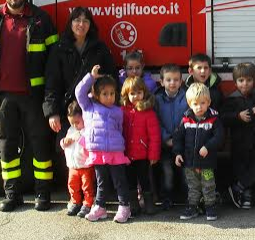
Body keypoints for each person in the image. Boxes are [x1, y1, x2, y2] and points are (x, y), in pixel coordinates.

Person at [0, 0, 58, 212]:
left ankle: (42, 195)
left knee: (40, 145)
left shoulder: (41, 20)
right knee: (6, 145)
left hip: (33, 96)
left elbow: (53, 59)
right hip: (4, 97)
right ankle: (12, 195)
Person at [44, 7, 116, 143]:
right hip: (67, 112)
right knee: (68, 152)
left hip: (94, 111)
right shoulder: (58, 49)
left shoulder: (100, 48)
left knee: (92, 151)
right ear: (70, 23)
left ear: (90, 25)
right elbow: (52, 82)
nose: (81, 25)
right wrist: (52, 112)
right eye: (77, 20)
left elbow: (112, 78)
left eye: (85, 21)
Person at [76, 65, 132, 223]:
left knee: (119, 181)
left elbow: (120, 129)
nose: (109, 97)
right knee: (101, 182)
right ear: (95, 94)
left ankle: (124, 207)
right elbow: (79, 92)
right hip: (97, 152)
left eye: (112, 94)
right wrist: (91, 77)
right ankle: (100, 207)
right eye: (105, 94)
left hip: (115, 152)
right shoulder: (88, 108)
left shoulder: (117, 111)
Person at [222, 62, 255, 210]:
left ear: (254, 80)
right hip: (239, 145)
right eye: (241, 80)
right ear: (235, 82)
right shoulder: (231, 100)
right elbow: (223, 118)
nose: (245, 84)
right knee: (241, 170)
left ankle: (237, 187)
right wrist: (237, 116)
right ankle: (246, 195)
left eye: (249, 80)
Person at [174, 83, 224, 221]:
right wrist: (178, 153)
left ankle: (210, 206)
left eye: (202, 103)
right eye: (195, 103)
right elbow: (178, 137)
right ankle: (192, 207)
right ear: (189, 104)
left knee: (208, 185)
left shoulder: (213, 119)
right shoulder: (185, 120)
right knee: (193, 187)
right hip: (189, 163)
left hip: (207, 163)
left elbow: (219, 137)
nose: (199, 107)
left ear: (208, 102)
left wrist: (207, 147)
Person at [121, 77, 161, 216]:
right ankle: (134, 204)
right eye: (132, 93)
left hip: (143, 155)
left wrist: (153, 155)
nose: (136, 96)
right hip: (127, 155)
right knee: (130, 180)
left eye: (139, 92)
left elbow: (154, 136)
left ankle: (149, 202)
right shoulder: (122, 112)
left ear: (144, 93)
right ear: (126, 95)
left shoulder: (149, 113)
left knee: (145, 180)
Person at [154, 63, 187, 208]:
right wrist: (166, 138)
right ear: (161, 82)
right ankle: (167, 198)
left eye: (176, 79)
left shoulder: (187, 98)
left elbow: (187, 119)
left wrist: (178, 139)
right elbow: (156, 121)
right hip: (165, 145)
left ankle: (189, 199)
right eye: (168, 80)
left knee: (186, 173)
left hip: (184, 145)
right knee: (167, 173)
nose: (172, 83)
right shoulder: (157, 100)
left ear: (181, 81)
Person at [60, 101, 95, 218]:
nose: (75, 125)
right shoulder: (71, 130)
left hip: (85, 166)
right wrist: (64, 142)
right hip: (72, 166)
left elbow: (90, 145)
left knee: (87, 186)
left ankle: (88, 203)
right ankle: (75, 202)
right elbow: (65, 144)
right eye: (72, 123)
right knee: (72, 185)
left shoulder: (87, 130)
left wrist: (79, 138)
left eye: (77, 122)